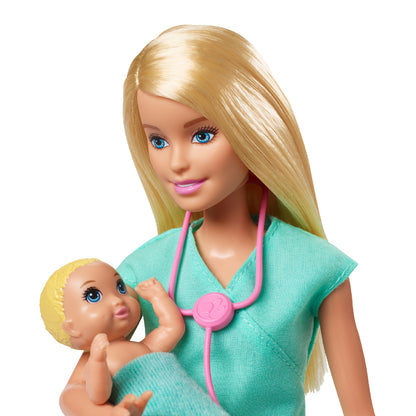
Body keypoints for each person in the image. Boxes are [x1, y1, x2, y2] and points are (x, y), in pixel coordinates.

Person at [61, 25, 375, 415]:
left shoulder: (314, 266)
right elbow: (79, 386)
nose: (176, 162)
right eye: (158, 141)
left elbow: (359, 408)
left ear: (252, 129)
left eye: (203, 135)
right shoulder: (140, 272)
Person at [40, 258, 228, 415]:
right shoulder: (92, 363)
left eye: (120, 287)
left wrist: (158, 297)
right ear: (71, 327)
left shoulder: (144, 348)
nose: (117, 300)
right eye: (93, 296)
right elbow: (96, 396)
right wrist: (98, 363)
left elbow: (172, 328)